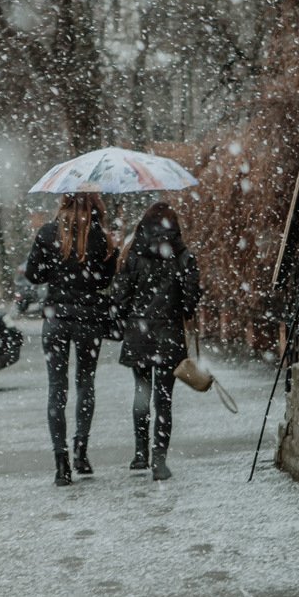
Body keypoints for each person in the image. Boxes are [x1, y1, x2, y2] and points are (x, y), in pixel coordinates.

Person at [25, 192, 117, 486]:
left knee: (57, 388)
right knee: (85, 384)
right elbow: (104, 281)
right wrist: (110, 252)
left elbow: (33, 275)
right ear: (94, 205)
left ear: (63, 202)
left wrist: (52, 263)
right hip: (89, 320)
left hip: (56, 319)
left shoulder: (49, 232)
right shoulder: (100, 235)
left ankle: (61, 462)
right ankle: (81, 451)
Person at [111, 202, 201, 481]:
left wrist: (130, 316)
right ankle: (159, 460)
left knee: (142, 392)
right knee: (164, 399)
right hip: (169, 335)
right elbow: (190, 301)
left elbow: (119, 298)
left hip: (139, 334)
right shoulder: (183, 256)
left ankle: (140, 454)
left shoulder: (132, 254)